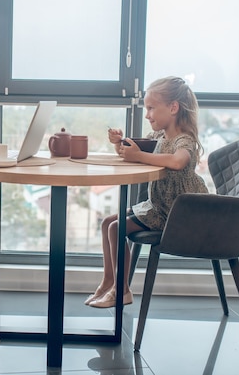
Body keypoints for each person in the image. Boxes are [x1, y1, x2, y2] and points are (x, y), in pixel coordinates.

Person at [85, 76, 208, 308]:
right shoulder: (159, 137)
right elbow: (134, 149)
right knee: (107, 223)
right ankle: (108, 282)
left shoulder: (184, 140)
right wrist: (118, 142)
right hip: (159, 205)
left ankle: (122, 290)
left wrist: (140, 156)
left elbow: (178, 161)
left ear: (173, 108)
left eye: (151, 108)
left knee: (116, 227)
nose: (147, 114)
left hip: (178, 213)